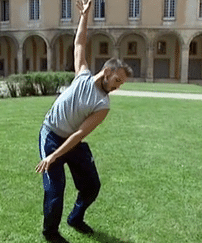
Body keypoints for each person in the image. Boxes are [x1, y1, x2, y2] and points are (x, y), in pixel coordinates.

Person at [35, 0, 133, 242]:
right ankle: (50, 233)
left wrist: (58, 155)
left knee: (92, 185)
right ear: (107, 72)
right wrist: (84, 16)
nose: (118, 87)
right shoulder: (83, 75)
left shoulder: (103, 105)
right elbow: (79, 43)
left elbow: (79, 135)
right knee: (55, 190)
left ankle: (75, 218)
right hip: (51, 135)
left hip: (71, 140)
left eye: (121, 83)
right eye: (118, 81)